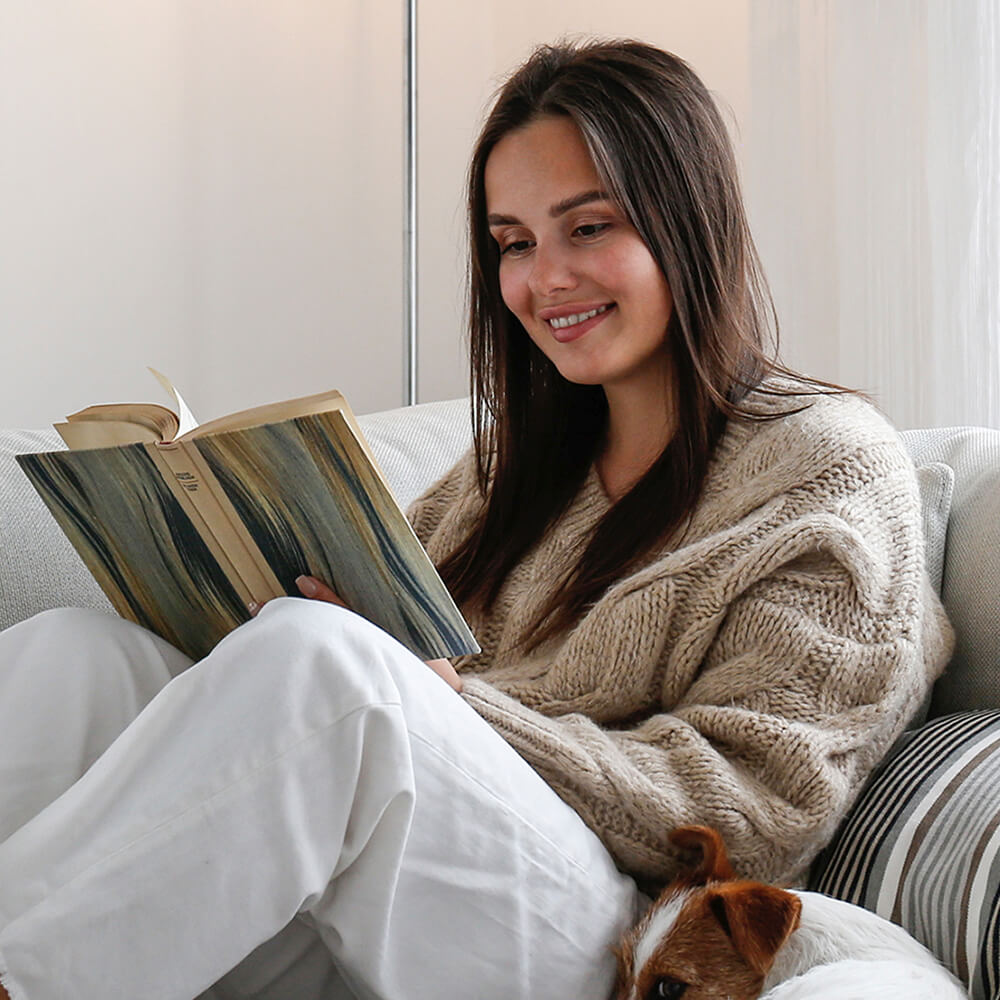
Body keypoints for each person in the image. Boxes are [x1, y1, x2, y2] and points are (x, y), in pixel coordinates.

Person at [0, 39, 952, 1000]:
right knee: (80, 658)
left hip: (617, 937)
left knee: (330, 669)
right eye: (515, 243)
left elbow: (756, 812)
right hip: (402, 901)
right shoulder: (511, 468)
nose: (547, 279)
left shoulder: (827, 469)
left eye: (588, 228)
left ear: (690, 222)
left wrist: (456, 706)